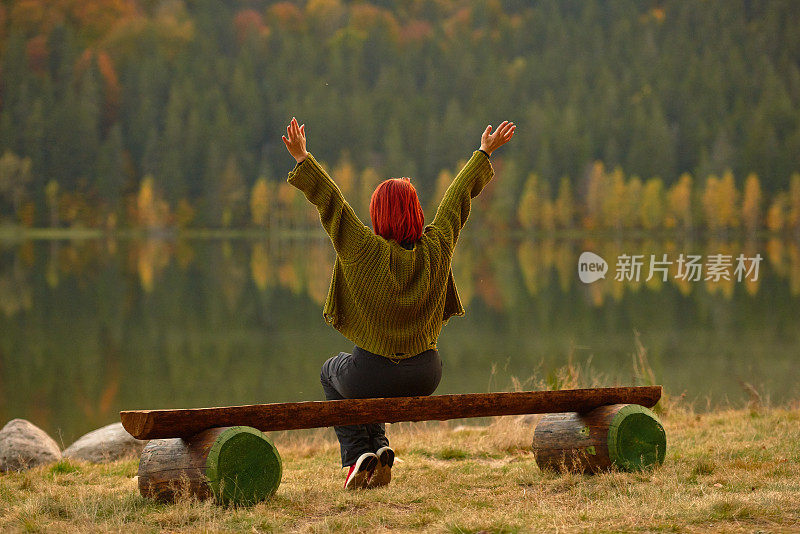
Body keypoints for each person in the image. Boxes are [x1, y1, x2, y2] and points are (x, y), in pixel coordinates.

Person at [282, 117, 515, 489]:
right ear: (416, 212)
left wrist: (303, 159)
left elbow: (334, 205)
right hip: (426, 373)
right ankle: (378, 453)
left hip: (372, 374)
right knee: (363, 378)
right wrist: (484, 153)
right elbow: (456, 201)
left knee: (332, 372)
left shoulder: (363, 249)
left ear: (377, 214)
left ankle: (357, 456)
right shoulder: (437, 247)